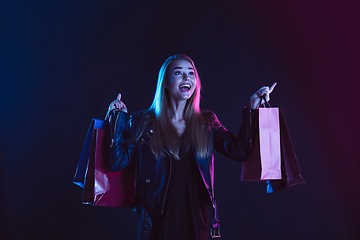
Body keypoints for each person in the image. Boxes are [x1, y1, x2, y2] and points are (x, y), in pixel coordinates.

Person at [106, 54, 276, 240]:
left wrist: (252, 108)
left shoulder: (206, 121)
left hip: (197, 214)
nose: (187, 78)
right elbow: (117, 162)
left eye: (191, 73)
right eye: (178, 73)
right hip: (158, 215)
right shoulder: (142, 122)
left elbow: (239, 150)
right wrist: (118, 119)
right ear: (165, 82)